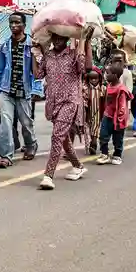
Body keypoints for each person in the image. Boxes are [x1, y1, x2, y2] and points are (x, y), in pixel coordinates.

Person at [33, 28, 94, 190]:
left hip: (69, 101)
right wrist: (34, 53)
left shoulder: (74, 54)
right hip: (53, 103)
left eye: (61, 37)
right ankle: (78, 166)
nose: (58, 40)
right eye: (55, 37)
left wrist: (85, 42)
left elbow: (86, 68)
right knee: (63, 137)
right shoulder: (48, 56)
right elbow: (38, 75)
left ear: (67, 38)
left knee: (57, 136)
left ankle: (48, 175)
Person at [0, 12, 38, 169]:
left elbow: (37, 71)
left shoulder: (32, 45)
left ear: (24, 25)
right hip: (6, 90)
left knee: (26, 123)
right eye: (11, 22)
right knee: (5, 123)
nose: (13, 25)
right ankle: (6, 156)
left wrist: (37, 90)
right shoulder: (5, 45)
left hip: (24, 90)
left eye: (17, 22)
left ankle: (31, 144)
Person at [97, 63, 133, 166]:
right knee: (103, 136)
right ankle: (104, 154)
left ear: (115, 75)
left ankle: (117, 155)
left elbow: (122, 106)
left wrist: (120, 120)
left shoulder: (121, 89)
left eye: (108, 73)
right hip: (107, 115)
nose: (106, 75)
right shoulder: (108, 86)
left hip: (118, 118)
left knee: (118, 138)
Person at [83, 68, 104, 155]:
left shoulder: (102, 88)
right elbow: (83, 99)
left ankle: (94, 144)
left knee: (95, 128)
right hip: (88, 112)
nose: (94, 80)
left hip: (98, 112)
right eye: (91, 78)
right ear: (88, 79)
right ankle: (91, 142)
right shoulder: (85, 88)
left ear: (99, 78)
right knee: (89, 129)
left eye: (96, 78)